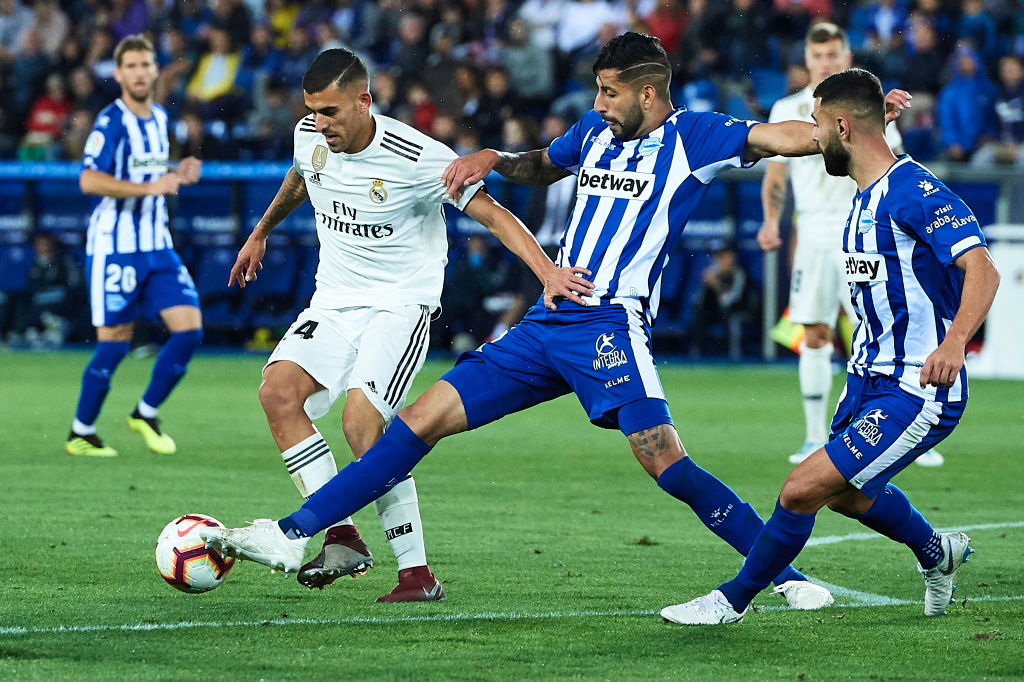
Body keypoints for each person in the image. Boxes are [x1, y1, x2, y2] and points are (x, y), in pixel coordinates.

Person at [201, 33, 912, 610]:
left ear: (648, 93)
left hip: (609, 324)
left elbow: (786, 138)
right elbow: (539, 165)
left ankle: (781, 578)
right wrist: (493, 158)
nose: (598, 104)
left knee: (664, 460)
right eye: (596, 91)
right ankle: (294, 533)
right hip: (547, 321)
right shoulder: (593, 134)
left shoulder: (696, 136)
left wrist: (867, 122)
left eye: (609, 92)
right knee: (418, 421)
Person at [224, 48, 584, 602]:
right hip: (335, 300)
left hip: (400, 305)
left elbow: (493, 214)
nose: (320, 124)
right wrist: (261, 230)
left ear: (365, 101)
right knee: (277, 393)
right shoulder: (309, 134)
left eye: (332, 112)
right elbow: (302, 175)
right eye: (313, 111)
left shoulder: (416, 157)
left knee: (361, 425)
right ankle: (343, 536)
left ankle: (416, 575)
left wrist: (547, 273)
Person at [661, 68, 1000, 626]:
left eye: (818, 124)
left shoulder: (915, 191)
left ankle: (729, 601)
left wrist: (955, 342)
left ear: (841, 124)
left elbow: (982, 269)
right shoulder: (863, 193)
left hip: (918, 385)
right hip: (866, 380)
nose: (812, 136)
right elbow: (859, 137)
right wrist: (871, 119)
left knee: (800, 489)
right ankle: (938, 552)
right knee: (842, 493)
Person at [756, 23, 945, 466]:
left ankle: (908, 431)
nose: (824, 63)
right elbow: (776, 176)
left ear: (845, 57)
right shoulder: (788, 108)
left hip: (865, 233)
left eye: (832, 55)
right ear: (807, 61)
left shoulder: (866, 107)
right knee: (816, 332)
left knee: (889, 331)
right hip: (818, 236)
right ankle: (813, 436)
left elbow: (888, 164)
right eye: (817, 56)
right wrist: (770, 222)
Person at [64, 35, 203, 459]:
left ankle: (145, 411)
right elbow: (89, 180)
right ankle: (81, 431)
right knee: (114, 344)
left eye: (146, 64)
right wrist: (150, 186)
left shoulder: (160, 118)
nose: (140, 72)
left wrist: (178, 170)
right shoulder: (110, 122)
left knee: (190, 331)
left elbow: (153, 170)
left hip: (157, 245)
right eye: (132, 66)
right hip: (115, 248)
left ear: (155, 69)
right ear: (119, 73)